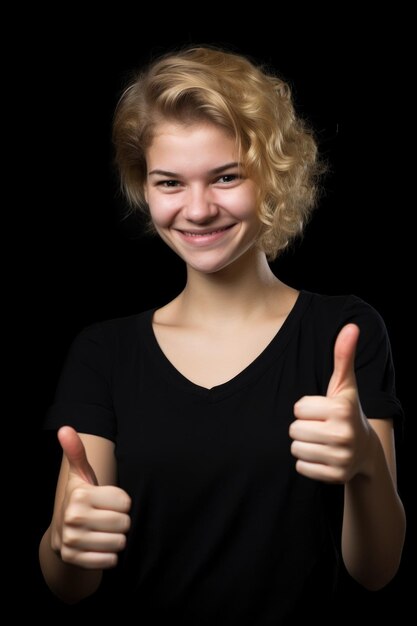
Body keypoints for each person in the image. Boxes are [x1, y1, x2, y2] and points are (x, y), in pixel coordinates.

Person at [38, 45, 406, 624]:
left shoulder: (344, 330)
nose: (199, 209)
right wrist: (66, 539)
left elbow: (377, 568)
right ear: (145, 188)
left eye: (226, 176)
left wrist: (364, 464)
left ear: (273, 175)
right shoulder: (103, 353)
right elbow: (72, 583)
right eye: (169, 183)